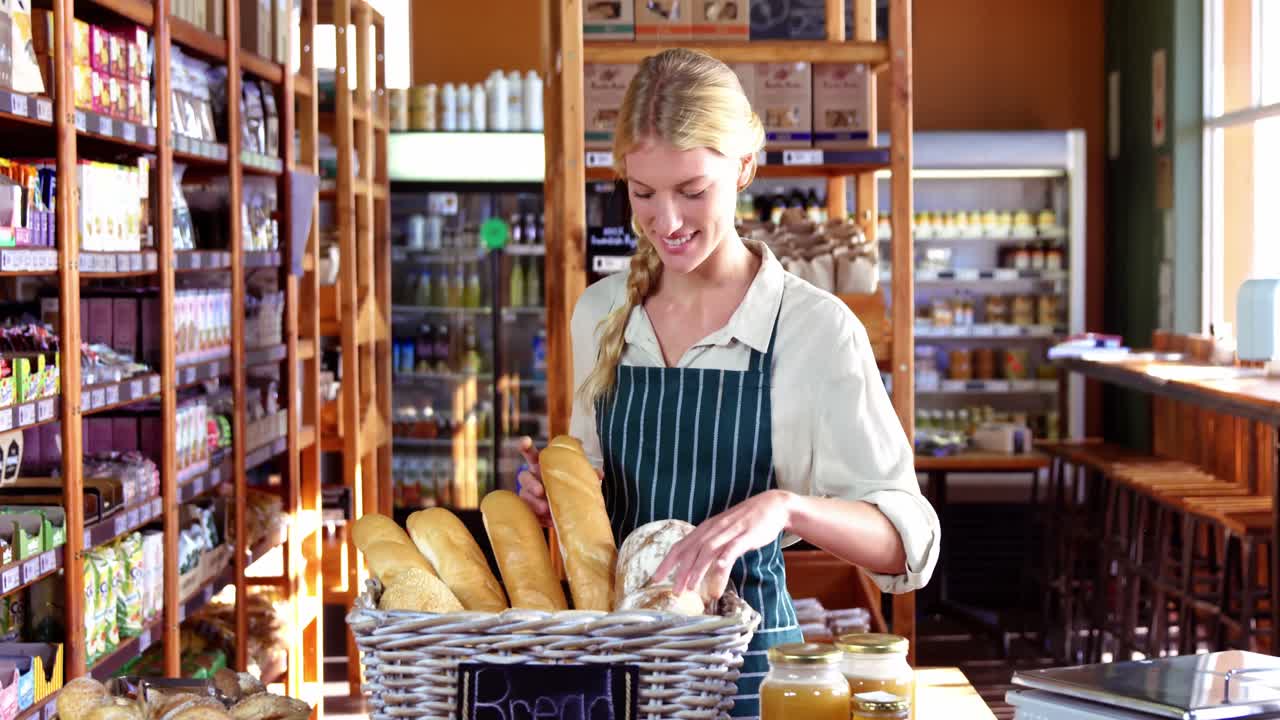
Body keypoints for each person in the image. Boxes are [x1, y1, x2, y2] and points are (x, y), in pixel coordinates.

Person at [517, 48, 939, 718]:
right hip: (615, 672)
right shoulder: (600, 312)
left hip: (755, 684)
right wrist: (557, 500)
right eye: (643, 194)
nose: (668, 223)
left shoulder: (814, 330)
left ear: (744, 167)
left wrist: (788, 508)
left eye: (692, 191)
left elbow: (905, 541)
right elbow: (593, 503)